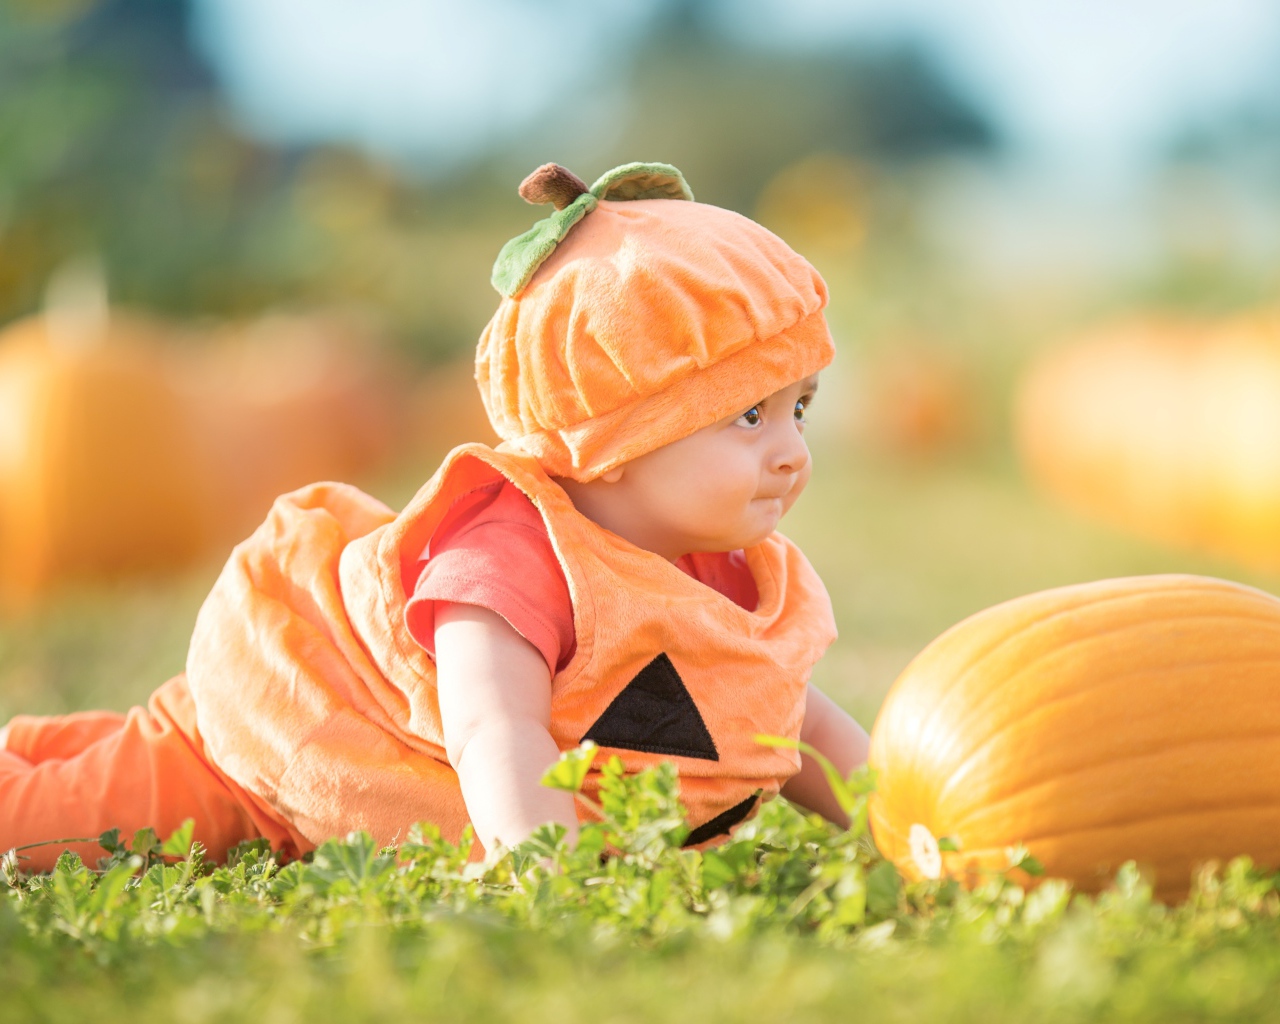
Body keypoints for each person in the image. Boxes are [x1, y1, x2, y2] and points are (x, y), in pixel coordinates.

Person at [0, 161, 869, 870]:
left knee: (86, 758)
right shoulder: (511, 557)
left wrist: (903, 820)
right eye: (748, 417)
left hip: (319, 781)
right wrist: (546, 868)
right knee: (56, 823)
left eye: (801, 408)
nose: (791, 450)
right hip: (270, 756)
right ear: (620, 431)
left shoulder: (720, 572)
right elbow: (498, 727)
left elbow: (791, 717)